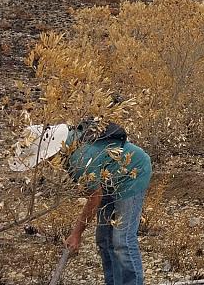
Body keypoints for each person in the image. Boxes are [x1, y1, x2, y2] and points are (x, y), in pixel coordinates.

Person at [63, 120, 152, 285]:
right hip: (110, 180)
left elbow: (94, 198)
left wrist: (76, 234)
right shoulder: (69, 142)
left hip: (133, 174)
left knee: (122, 240)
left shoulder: (79, 159)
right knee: (104, 238)